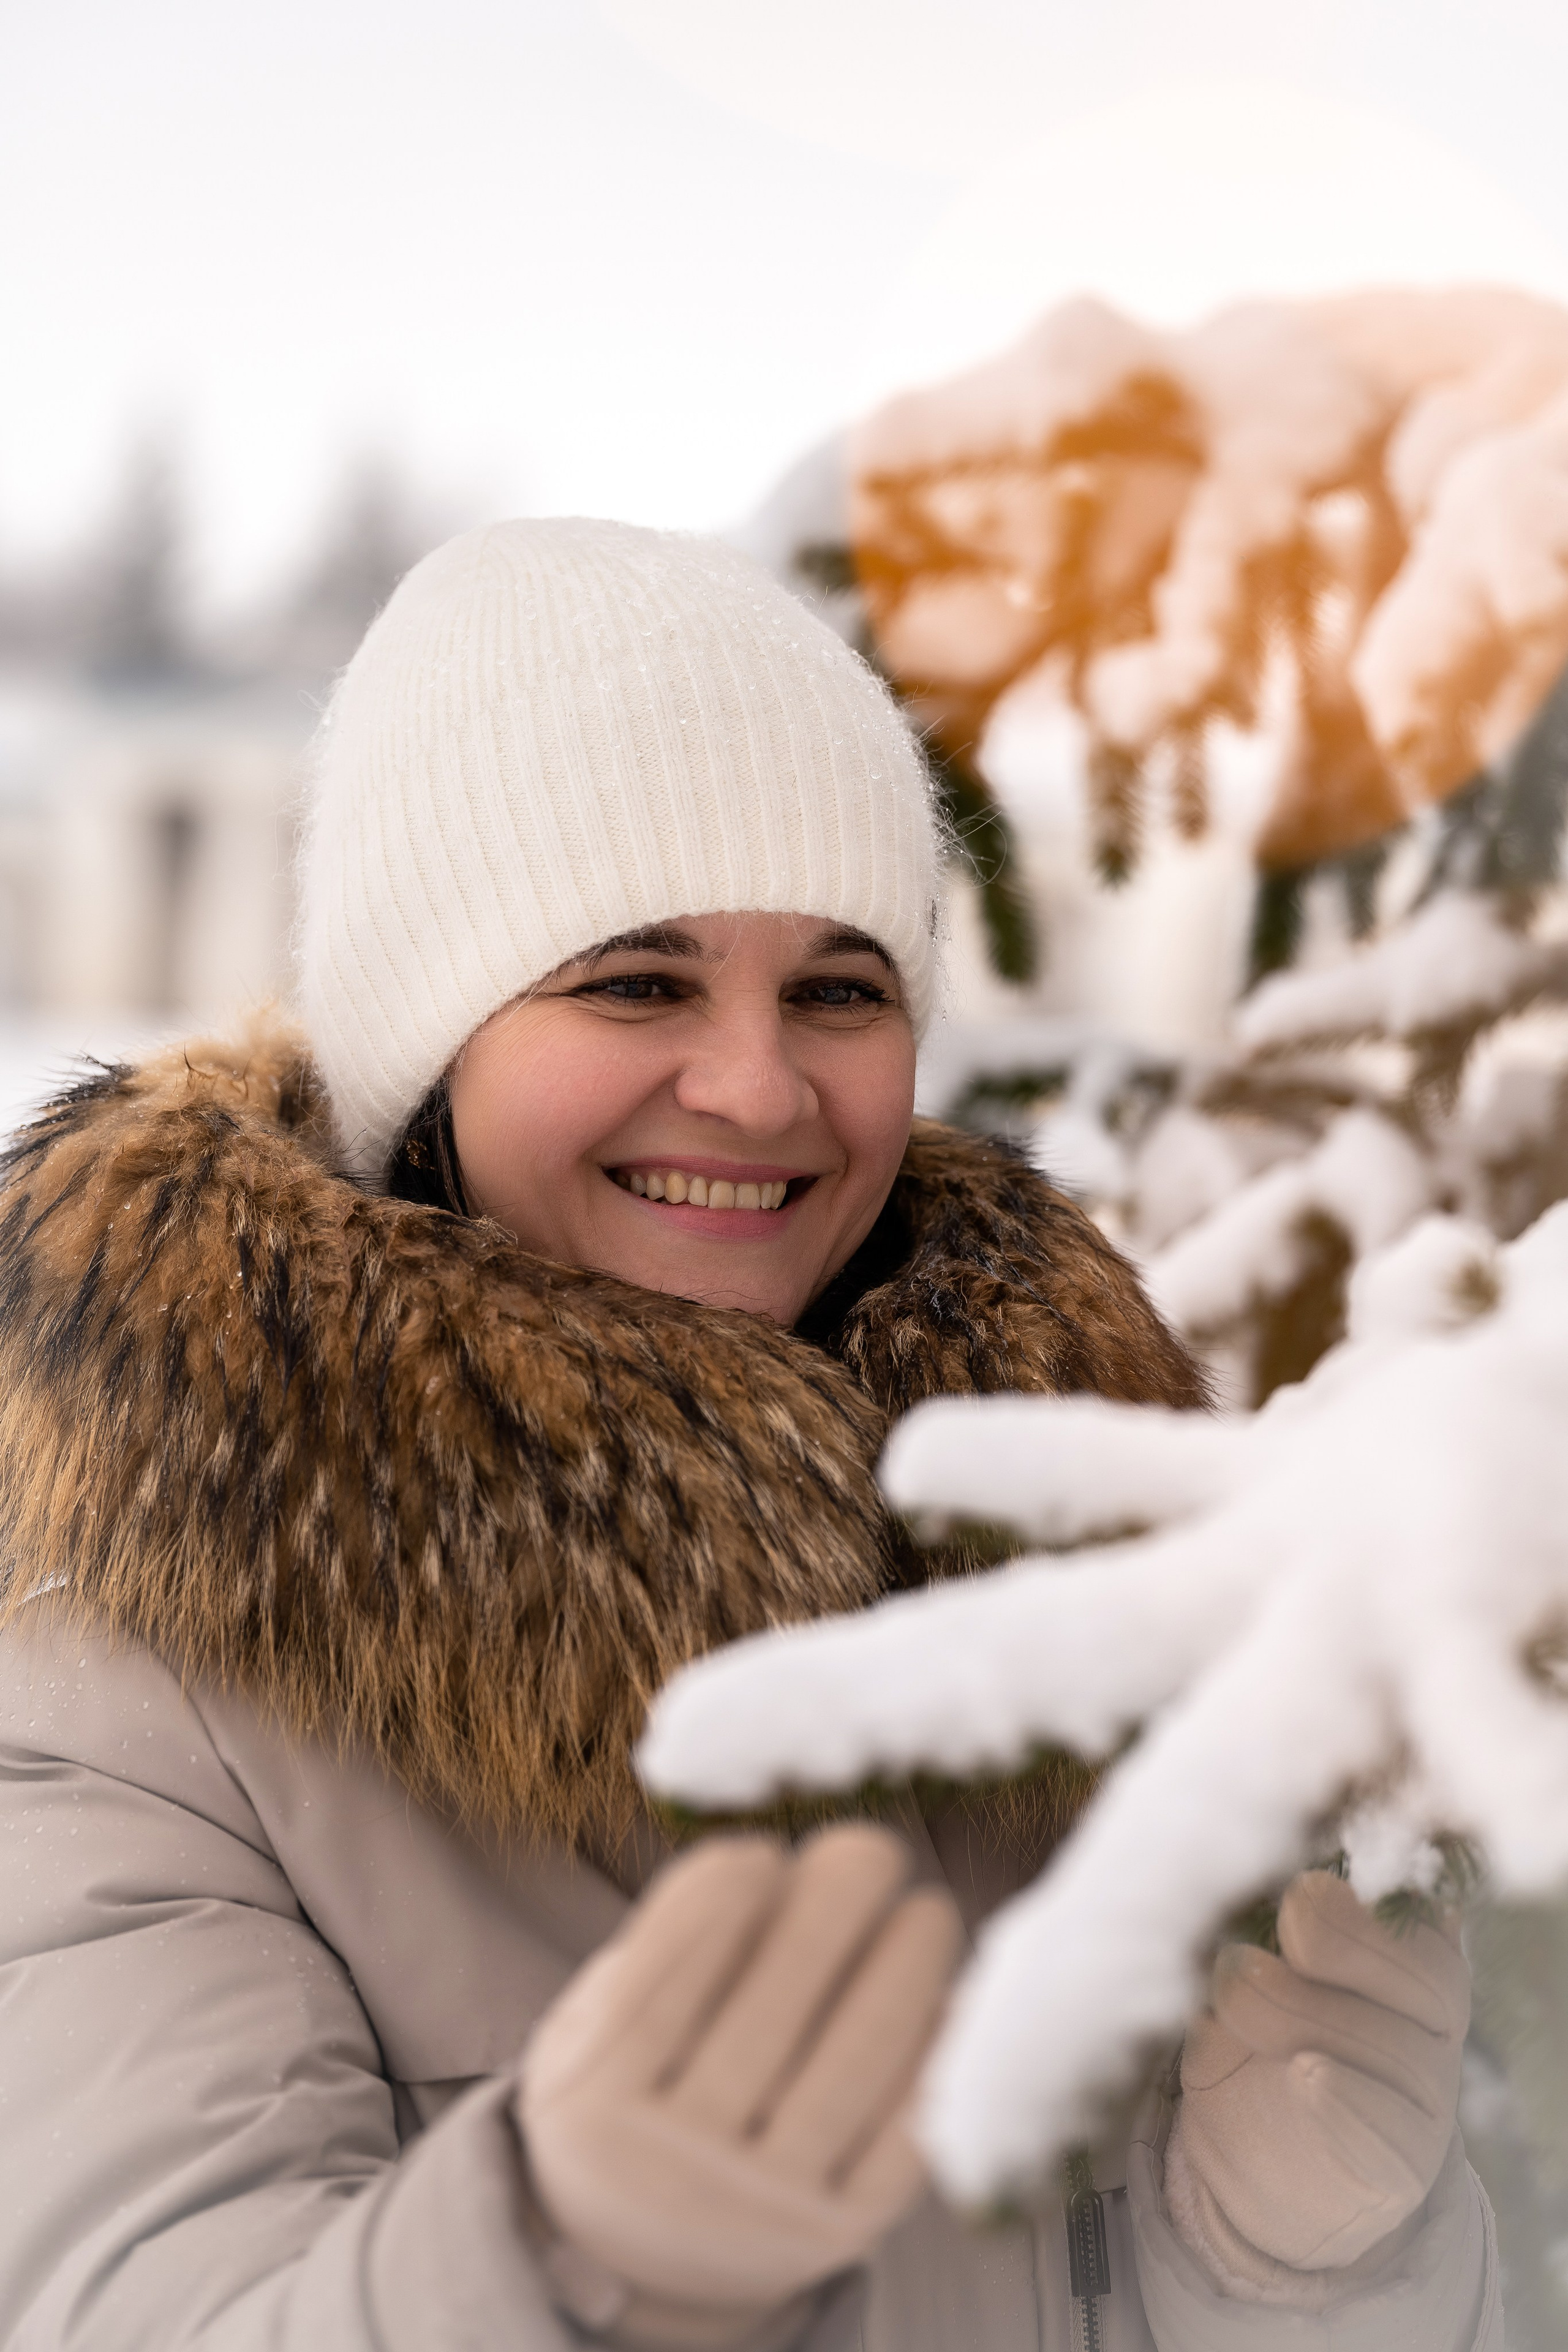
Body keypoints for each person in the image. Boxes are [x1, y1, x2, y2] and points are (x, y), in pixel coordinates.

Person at [0, 520, 1496, 2350]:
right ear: (428, 1048)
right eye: (637, 980)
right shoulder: (130, 1700)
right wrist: (561, 2262)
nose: (762, 1084)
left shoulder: (1078, 1577)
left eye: (840, 988)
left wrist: (1305, 2277)